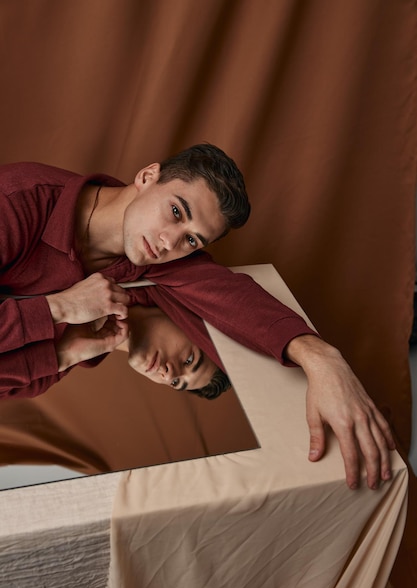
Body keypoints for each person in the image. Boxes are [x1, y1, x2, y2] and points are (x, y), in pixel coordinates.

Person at [0, 143, 395, 490]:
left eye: (191, 239)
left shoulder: (148, 263)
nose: (170, 241)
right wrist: (59, 308)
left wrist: (322, 358)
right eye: (175, 211)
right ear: (148, 176)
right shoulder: (16, 202)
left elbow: (236, 299)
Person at [57, 303, 231, 400]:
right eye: (189, 360)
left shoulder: (71, 359)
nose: (169, 376)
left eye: (176, 383)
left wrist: (65, 355)